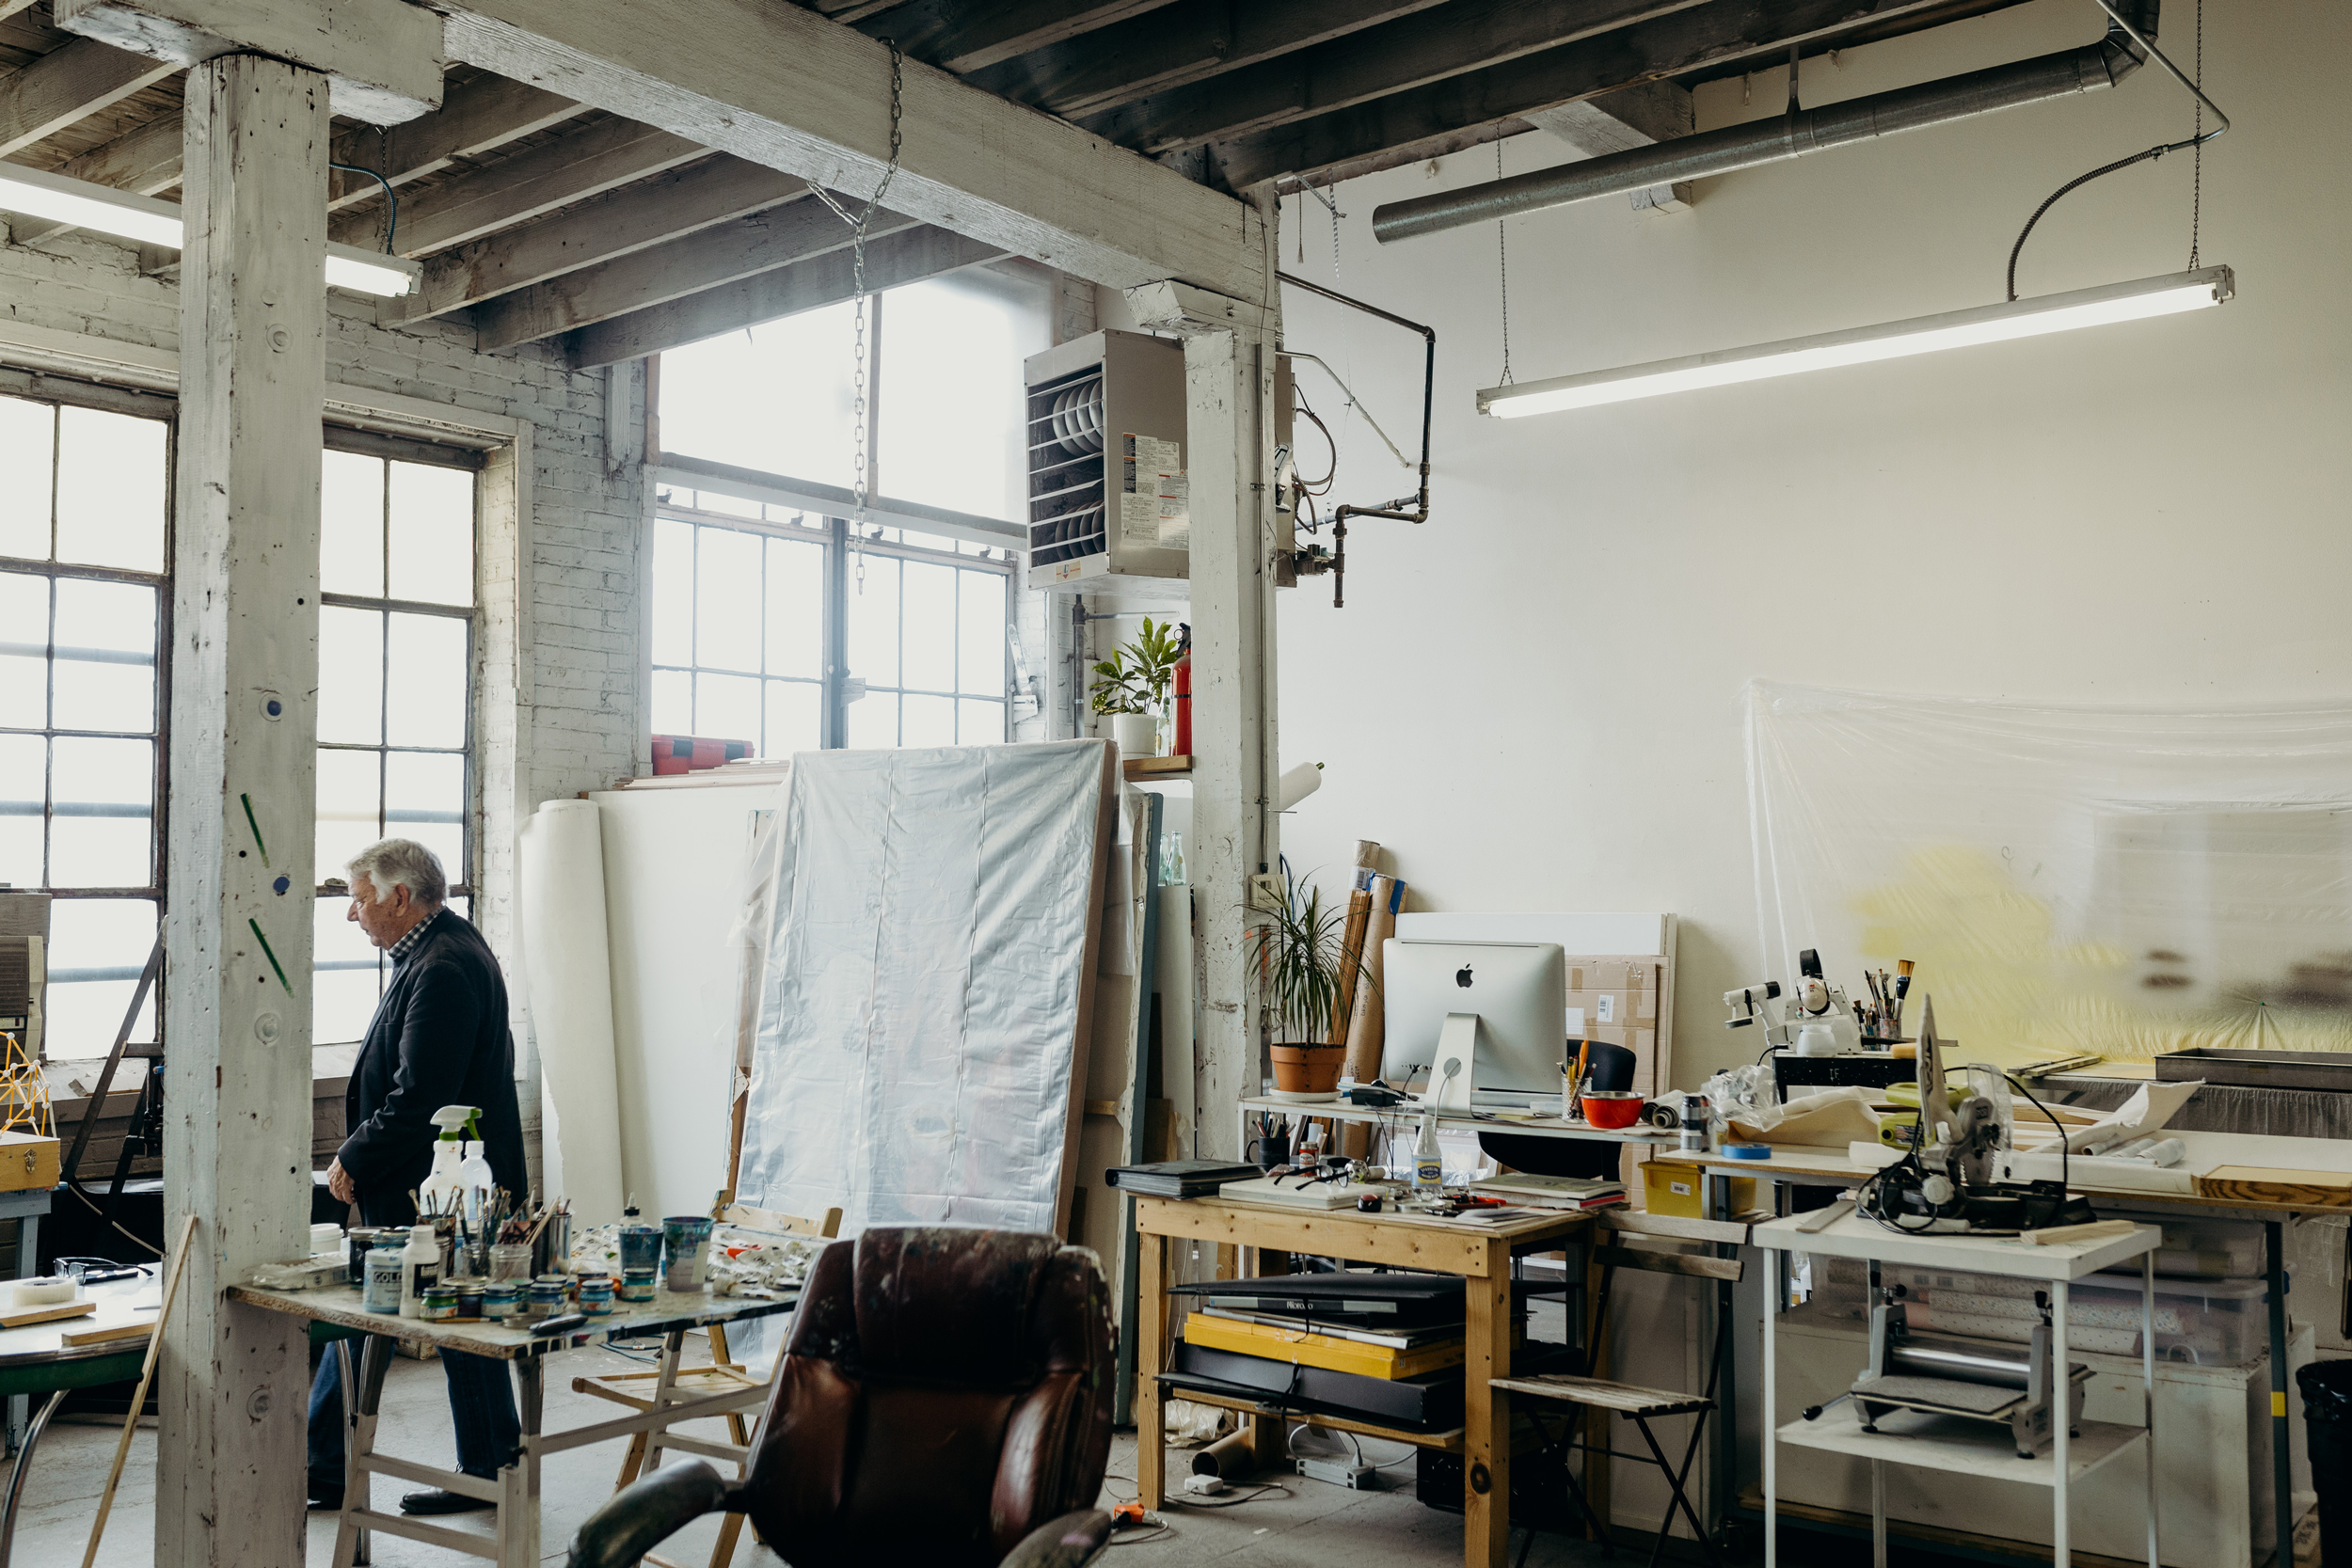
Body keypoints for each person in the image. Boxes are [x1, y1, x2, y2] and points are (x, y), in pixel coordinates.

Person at [309, 838, 531, 1516]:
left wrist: (352, 1155)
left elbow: (418, 1097)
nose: (353, 913)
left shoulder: (442, 967)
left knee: (369, 1310)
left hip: (430, 1186)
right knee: (450, 1320)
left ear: (400, 897)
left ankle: (324, 1463)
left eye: (361, 897)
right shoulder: (444, 950)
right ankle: (487, 1463)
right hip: (439, 1182)